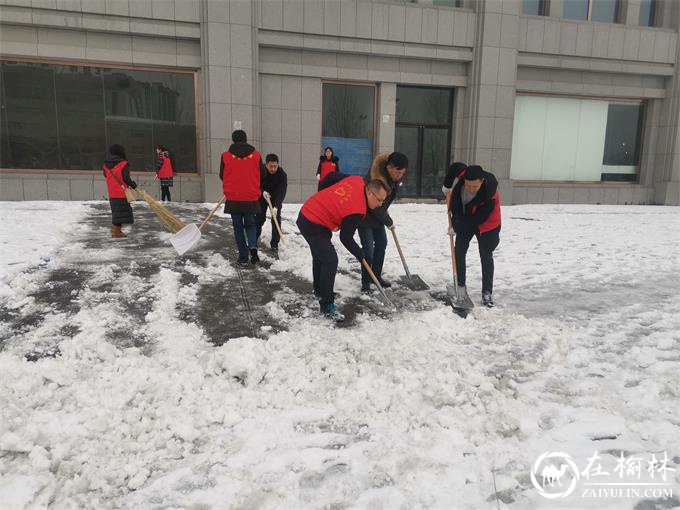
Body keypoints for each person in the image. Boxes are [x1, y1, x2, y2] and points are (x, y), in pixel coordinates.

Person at [297, 174, 390, 320]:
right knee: (330, 260)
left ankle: (320, 291)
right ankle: (327, 305)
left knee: (320, 256)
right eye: (379, 200)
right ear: (370, 193)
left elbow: (331, 176)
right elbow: (345, 238)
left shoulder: (356, 180)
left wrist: (323, 196)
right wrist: (360, 254)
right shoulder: (357, 210)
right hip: (312, 221)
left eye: (382, 202)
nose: (380, 204)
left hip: (310, 212)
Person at [446, 164, 501, 307]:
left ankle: (487, 292)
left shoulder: (490, 192)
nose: (470, 189)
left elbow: (479, 218)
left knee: (486, 254)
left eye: (474, 187)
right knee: (459, 250)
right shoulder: (463, 174)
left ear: (482, 181)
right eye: (468, 185)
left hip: (487, 224)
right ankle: (461, 285)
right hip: (466, 218)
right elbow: (453, 168)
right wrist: (446, 186)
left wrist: (457, 227)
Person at [357, 152, 408, 293]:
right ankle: (366, 281)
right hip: (365, 216)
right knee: (368, 250)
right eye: (397, 172)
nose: (399, 176)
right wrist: (388, 221)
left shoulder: (393, 178)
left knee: (381, 244)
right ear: (389, 167)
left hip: (378, 216)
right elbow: (374, 205)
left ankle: (376, 276)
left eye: (402, 173)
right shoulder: (375, 177)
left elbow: (383, 202)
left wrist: (385, 212)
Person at [220, 130, 266, 267]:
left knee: (238, 228)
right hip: (251, 198)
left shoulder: (225, 156)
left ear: (233, 140)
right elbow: (263, 175)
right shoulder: (256, 155)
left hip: (234, 198)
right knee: (251, 225)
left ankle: (243, 257)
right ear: (246, 139)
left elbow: (222, 175)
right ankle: (253, 246)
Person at [102, 144, 137, 238]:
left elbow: (105, 175)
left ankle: (116, 231)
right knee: (120, 212)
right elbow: (126, 178)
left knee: (117, 212)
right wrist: (134, 185)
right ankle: (116, 232)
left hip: (112, 192)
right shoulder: (123, 163)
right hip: (121, 192)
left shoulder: (105, 165)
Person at [256, 153, 287, 252]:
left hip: (275, 198)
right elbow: (255, 184)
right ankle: (253, 241)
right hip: (262, 197)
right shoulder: (260, 171)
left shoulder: (282, 174)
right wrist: (261, 192)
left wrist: (276, 206)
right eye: (271, 166)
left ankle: (274, 244)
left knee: (276, 219)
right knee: (259, 219)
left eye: (275, 166)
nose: (273, 169)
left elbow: (281, 191)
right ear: (266, 164)